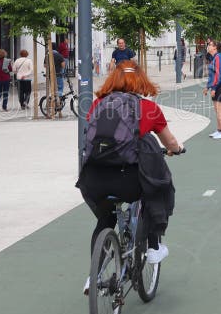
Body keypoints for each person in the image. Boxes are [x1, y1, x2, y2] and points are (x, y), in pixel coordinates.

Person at [76, 60, 183, 292]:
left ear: (112, 79)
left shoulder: (97, 105)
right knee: (156, 186)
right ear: (141, 80)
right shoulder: (149, 108)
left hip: (93, 180)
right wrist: (176, 148)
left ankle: (93, 277)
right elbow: (170, 142)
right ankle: (154, 247)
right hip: (129, 180)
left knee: (105, 219)